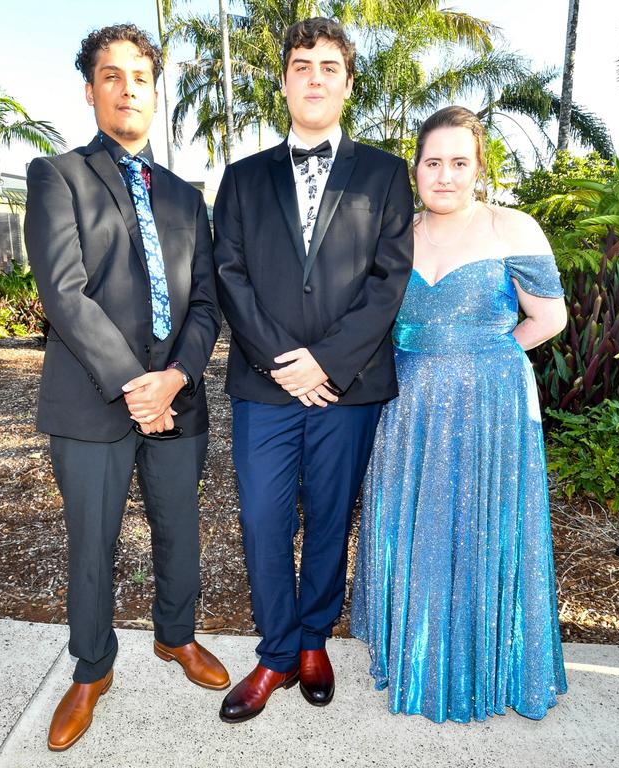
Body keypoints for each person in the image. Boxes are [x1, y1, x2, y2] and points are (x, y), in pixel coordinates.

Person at [24, 24, 227, 752]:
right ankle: (91, 670)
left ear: (154, 86)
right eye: (111, 75)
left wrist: (175, 378)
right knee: (92, 543)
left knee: (180, 532)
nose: (126, 88)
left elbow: (205, 302)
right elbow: (65, 292)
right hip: (92, 400)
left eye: (139, 75)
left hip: (178, 400)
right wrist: (135, 382)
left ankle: (177, 638)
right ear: (90, 90)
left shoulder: (185, 195)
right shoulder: (57, 176)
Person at [212, 17, 414, 723]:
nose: (316, 77)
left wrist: (325, 362)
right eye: (303, 65)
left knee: (331, 517)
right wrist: (282, 364)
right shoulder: (240, 179)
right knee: (264, 520)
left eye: (330, 66)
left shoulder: (387, 176)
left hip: (347, 386)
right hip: (263, 388)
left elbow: (390, 279)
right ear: (285, 81)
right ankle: (273, 656)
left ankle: (313, 640)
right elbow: (229, 275)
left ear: (348, 83)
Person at [351, 106, 569, 723]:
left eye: (459, 162)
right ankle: (414, 654)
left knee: (482, 524)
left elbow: (548, 319)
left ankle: (483, 663)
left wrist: (484, 357)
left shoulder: (513, 228)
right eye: (432, 162)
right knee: (413, 525)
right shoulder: (397, 232)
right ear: (415, 168)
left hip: (489, 405)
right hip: (408, 402)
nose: (445, 175)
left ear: (478, 167)